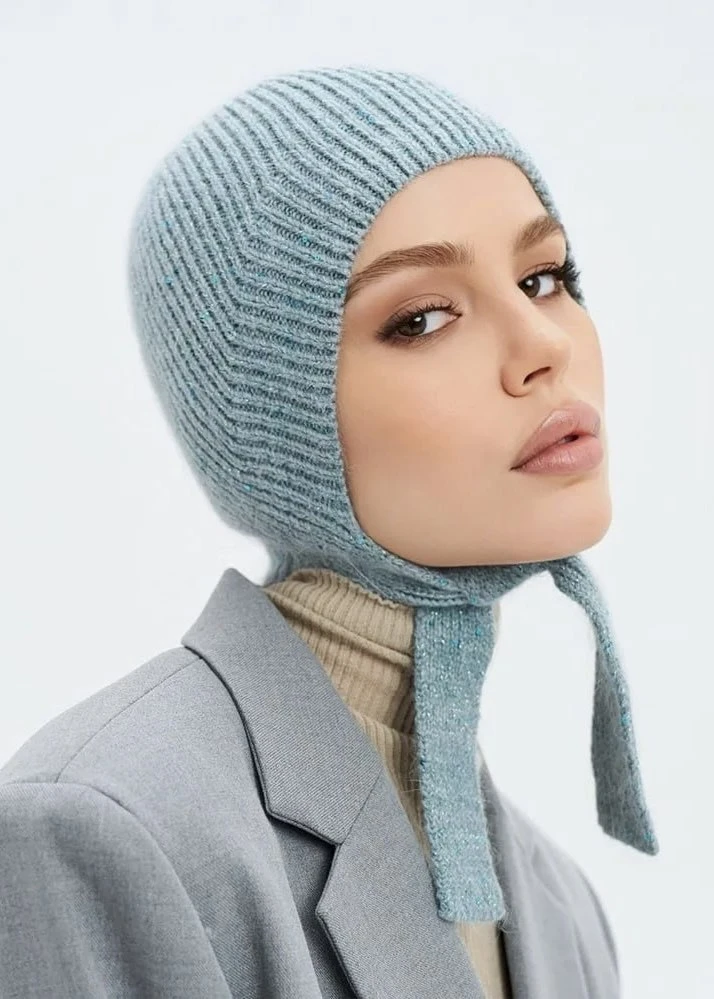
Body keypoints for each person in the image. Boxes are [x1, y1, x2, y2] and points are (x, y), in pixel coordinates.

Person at [0, 65, 658, 998]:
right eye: (421, 318)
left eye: (543, 277)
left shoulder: (564, 911)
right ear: (276, 416)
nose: (545, 345)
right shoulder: (99, 828)